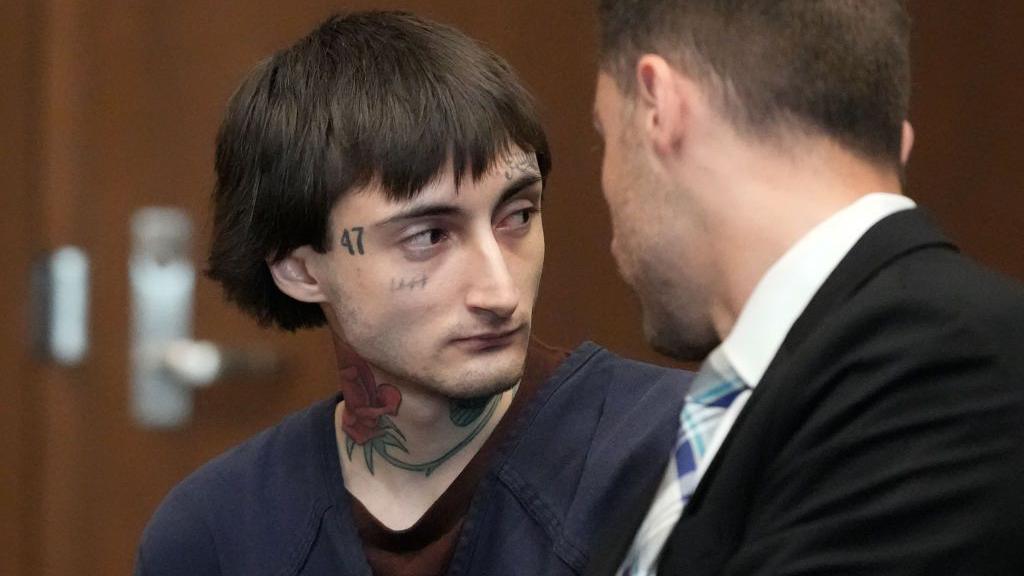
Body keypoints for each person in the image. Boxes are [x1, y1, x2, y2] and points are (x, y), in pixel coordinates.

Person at [134, 11, 691, 576]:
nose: (500, 291)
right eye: (429, 236)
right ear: (302, 271)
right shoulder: (218, 535)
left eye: (517, 216)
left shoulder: (676, 454)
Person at [587, 1, 1024, 575]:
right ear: (901, 142)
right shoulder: (767, 393)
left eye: (604, 137)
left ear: (657, 107)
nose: (607, 184)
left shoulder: (948, 360)